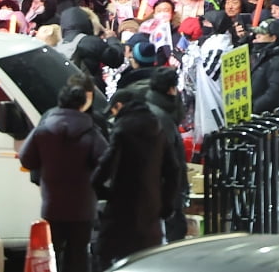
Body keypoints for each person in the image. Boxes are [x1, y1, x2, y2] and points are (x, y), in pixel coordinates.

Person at [18, 77, 107, 272]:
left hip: (52, 204)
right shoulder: (91, 132)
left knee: (50, 254)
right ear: (83, 103)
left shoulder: (43, 130)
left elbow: (26, 160)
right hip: (83, 207)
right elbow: (106, 162)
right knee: (79, 255)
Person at [93, 87, 182, 269]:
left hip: (121, 207)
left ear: (119, 106)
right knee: (147, 260)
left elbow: (106, 166)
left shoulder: (122, 130)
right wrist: (166, 205)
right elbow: (173, 169)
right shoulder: (157, 129)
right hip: (150, 208)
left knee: (107, 256)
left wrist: (102, 190)